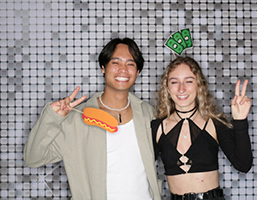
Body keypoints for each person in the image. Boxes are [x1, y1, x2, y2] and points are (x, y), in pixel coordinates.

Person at [23, 38, 162, 200]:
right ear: (103, 67)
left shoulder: (148, 114)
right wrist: (52, 118)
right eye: (115, 62)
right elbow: (33, 158)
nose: (123, 69)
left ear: (137, 72)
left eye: (130, 64)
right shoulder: (77, 118)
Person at [151, 56, 253, 200]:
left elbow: (243, 165)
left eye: (189, 81)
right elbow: (140, 170)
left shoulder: (215, 123)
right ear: (167, 88)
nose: (181, 89)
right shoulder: (157, 127)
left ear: (199, 85)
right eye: (174, 82)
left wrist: (240, 121)